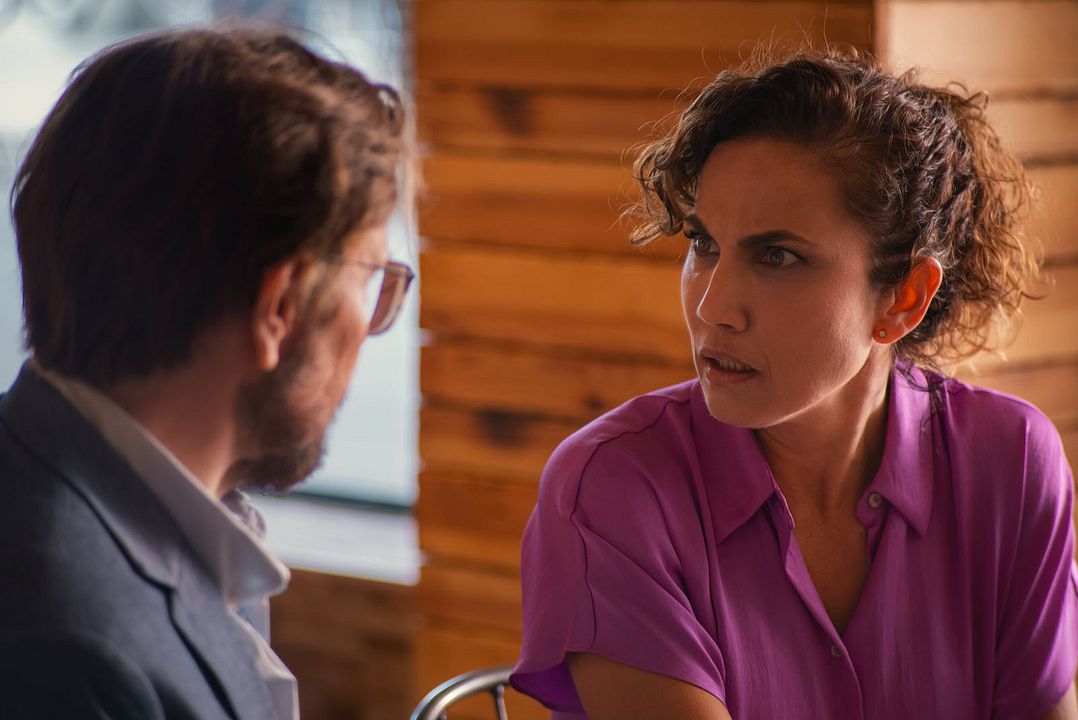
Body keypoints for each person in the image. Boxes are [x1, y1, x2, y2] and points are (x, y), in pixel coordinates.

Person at [510, 48, 1078, 719]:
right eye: (703, 244)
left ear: (902, 298)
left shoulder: (1008, 461)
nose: (712, 306)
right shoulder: (613, 488)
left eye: (776, 256)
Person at [0, 26, 413, 719]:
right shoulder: (71, 654)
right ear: (279, 307)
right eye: (373, 281)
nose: (371, 329)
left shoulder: (145, 514)